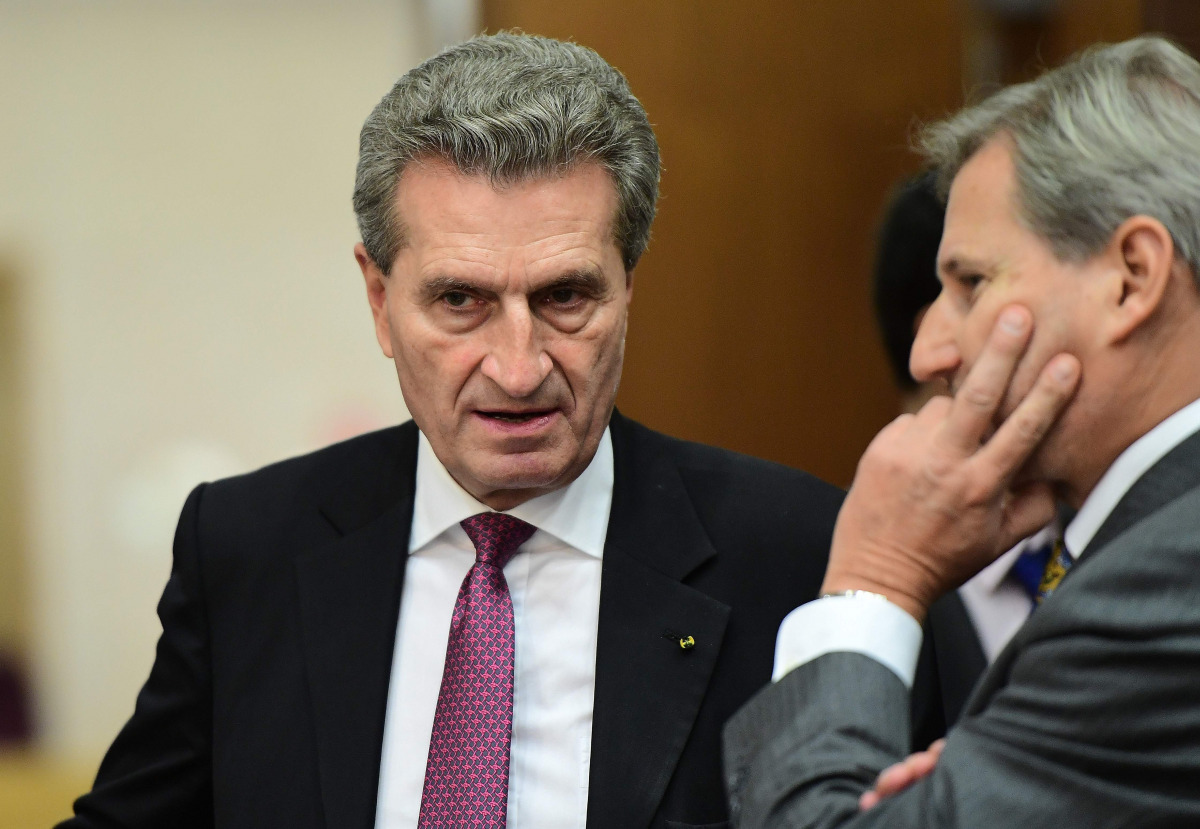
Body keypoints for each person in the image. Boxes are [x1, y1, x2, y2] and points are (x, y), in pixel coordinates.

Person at [59, 33, 849, 829]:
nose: (518, 368)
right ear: (379, 300)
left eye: (565, 297)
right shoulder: (247, 548)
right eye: (460, 301)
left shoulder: (798, 557)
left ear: (627, 290)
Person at [724, 35, 1200, 826]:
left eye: (972, 283)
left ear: (1132, 277)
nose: (927, 353)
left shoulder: (1162, 584)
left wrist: (877, 574)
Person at [872, 172, 1064, 749]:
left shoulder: (1140, 544)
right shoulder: (830, 585)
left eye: (973, 283)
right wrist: (875, 581)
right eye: (966, 287)